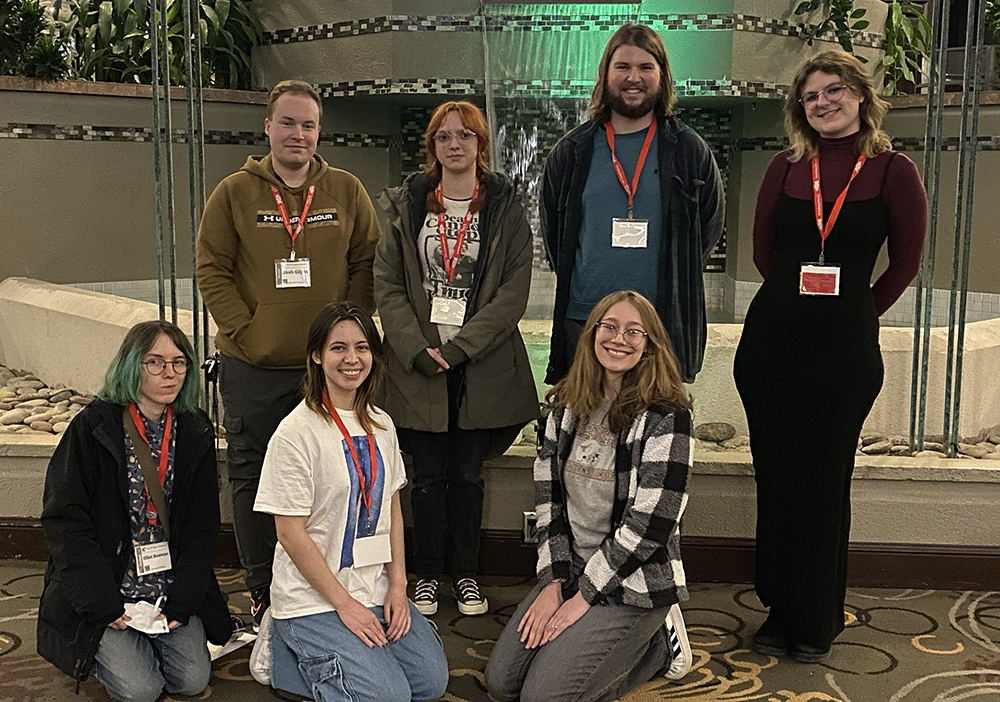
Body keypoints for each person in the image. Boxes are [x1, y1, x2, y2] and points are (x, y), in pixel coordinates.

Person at [733, 50, 927, 663]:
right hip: (771, 348)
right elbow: (766, 255)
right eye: (812, 95)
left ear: (861, 97)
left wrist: (854, 311)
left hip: (842, 355)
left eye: (835, 90)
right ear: (801, 107)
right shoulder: (787, 167)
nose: (824, 102)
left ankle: (816, 616)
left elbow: (905, 264)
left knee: (823, 481)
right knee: (779, 477)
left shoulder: (894, 170)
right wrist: (801, 302)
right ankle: (779, 607)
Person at [196, 79, 381, 623]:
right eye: (288, 122)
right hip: (252, 364)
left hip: (327, 368)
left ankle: (331, 581)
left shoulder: (346, 190)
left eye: (308, 125)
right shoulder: (234, 192)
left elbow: (367, 263)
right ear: (268, 127)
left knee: (334, 472)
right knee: (255, 477)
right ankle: (262, 587)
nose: (298, 134)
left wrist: (348, 337)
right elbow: (212, 269)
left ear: (319, 131)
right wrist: (249, 331)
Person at [485, 290, 696, 702]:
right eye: (610, 327)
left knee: (542, 698)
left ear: (650, 344)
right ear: (592, 334)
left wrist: (582, 597)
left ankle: (655, 646)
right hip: (572, 567)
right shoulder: (564, 408)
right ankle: (637, 642)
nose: (619, 339)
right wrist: (552, 584)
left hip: (634, 577)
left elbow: (650, 527)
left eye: (634, 332)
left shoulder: (667, 417)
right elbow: (549, 507)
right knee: (502, 684)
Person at [375, 100, 539, 617]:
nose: (454, 144)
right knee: (424, 477)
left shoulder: (506, 210)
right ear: (433, 147)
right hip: (419, 364)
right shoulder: (408, 208)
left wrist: (462, 348)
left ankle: (466, 574)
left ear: (480, 144)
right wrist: (413, 348)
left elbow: (513, 293)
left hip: (480, 364)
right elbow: (389, 285)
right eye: (443, 136)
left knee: (468, 476)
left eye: (464, 135)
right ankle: (424, 575)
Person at [252, 302, 449, 702]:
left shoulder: (382, 424)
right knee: (389, 697)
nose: (351, 359)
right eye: (338, 348)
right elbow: (289, 533)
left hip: (373, 585)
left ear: (374, 356)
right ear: (317, 355)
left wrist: (397, 584)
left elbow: (391, 507)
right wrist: (344, 605)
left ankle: (319, 661)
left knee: (430, 683)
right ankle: (283, 646)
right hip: (313, 598)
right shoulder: (295, 433)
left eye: (362, 347)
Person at [37, 321, 232, 702]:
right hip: (109, 583)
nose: (170, 373)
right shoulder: (94, 427)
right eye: (155, 362)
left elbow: (202, 527)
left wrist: (185, 600)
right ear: (131, 364)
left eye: (179, 363)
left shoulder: (194, 430)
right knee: (140, 690)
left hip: (166, 582)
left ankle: (146, 639)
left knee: (191, 679)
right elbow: (65, 521)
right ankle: (105, 644)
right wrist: (101, 604)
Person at [541, 23, 725, 386]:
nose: (633, 78)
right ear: (606, 73)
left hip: (660, 323)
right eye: (622, 67)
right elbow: (554, 232)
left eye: (645, 67)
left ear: (662, 75)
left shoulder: (689, 150)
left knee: (653, 435)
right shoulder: (572, 151)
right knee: (584, 432)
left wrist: (675, 274)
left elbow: (708, 226)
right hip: (585, 321)